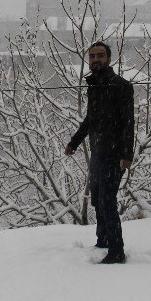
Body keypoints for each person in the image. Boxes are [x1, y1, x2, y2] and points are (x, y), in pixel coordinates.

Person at [64, 42, 134, 264]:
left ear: (109, 58)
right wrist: (74, 142)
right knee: (97, 198)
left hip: (114, 154)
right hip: (98, 152)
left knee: (107, 199)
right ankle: (103, 239)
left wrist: (126, 155)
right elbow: (91, 120)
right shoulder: (93, 85)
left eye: (100, 56)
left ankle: (116, 250)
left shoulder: (121, 85)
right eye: (92, 56)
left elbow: (128, 122)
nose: (95, 59)